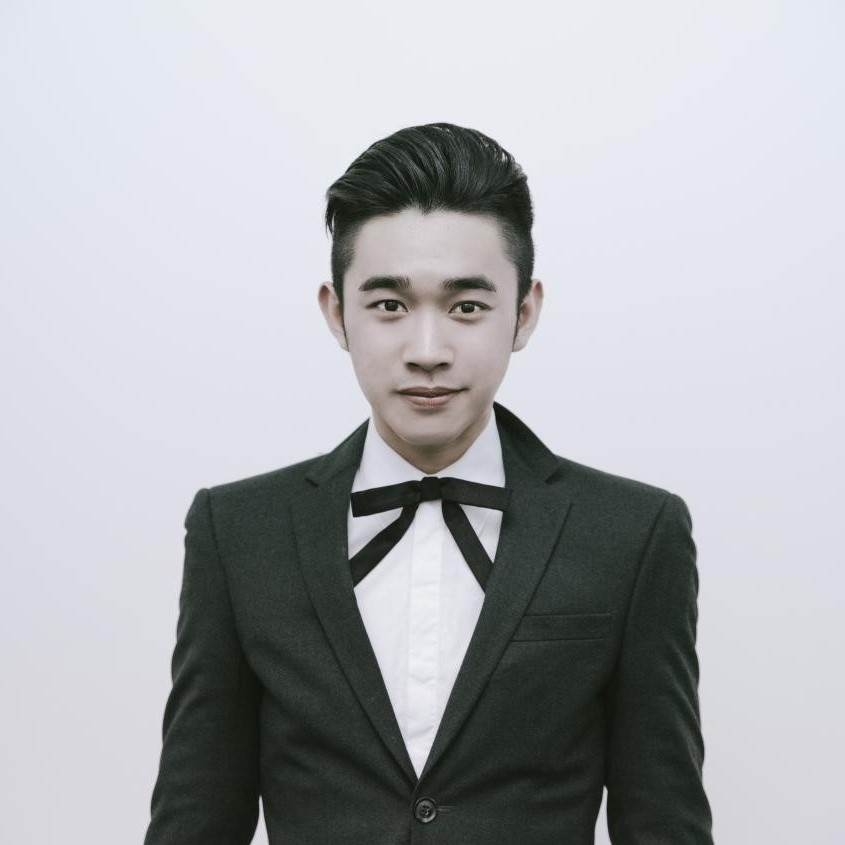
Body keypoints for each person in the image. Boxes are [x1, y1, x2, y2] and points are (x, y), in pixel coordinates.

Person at [144, 122, 713, 843]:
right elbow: (194, 821)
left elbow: (664, 823)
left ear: (524, 313)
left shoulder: (634, 533)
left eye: (466, 306)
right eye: (389, 305)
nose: (426, 350)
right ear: (336, 313)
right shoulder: (237, 531)